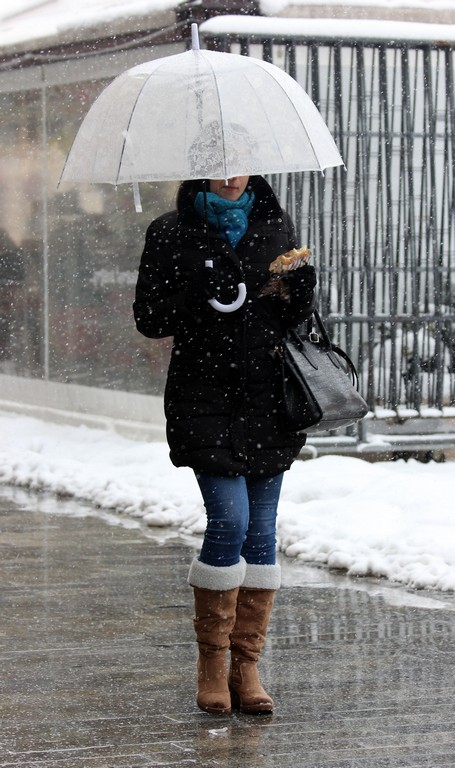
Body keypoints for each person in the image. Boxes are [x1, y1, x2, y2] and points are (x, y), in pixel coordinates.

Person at [133, 174, 316, 716]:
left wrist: (300, 293)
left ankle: (246, 666)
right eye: (221, 165)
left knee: (261, 533)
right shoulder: (170, 230)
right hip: (204, 397)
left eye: (242, 164)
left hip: (267, 400)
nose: (232, 176)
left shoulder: (275, 226)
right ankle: (212, 663)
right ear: (204, 169)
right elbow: (149, 318)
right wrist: (198, 292)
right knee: (230, 521)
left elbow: (287, 319)